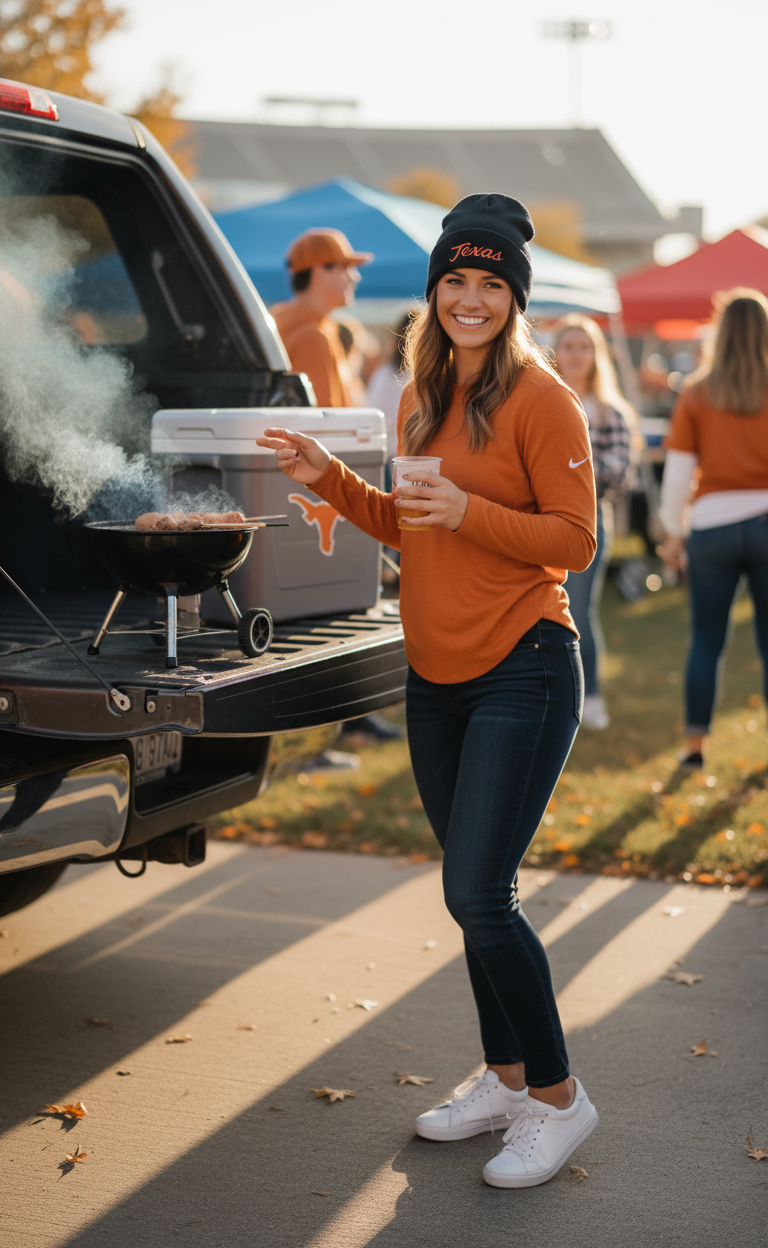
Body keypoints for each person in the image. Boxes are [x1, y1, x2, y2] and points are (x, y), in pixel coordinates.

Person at [258, 193, 599, 1189]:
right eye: (458, 278)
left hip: (523, 665)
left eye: (492, 283)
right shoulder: (416, 395)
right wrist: (331, 479)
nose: (472, 298)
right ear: (436, 287)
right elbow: (412, 525)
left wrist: (470, 506)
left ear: (513, 298)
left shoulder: (543, 399)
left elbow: (573, 541)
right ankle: (503, 1079)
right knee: (475, 899)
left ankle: (559, 1100)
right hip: (434, 676)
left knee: (477, 894)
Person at [660, 288, 768, 771]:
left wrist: (672, 532)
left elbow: (678, 477)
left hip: (712, 527)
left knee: (706, 640)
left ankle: (694, 748)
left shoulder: (698, 392)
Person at [553, 315, 639, 729]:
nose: (575, 354)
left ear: (595, 355)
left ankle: (593, 695)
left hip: (589, 521)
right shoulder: (542, 402)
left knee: (580, 613)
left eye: (583, 347)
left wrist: (568, 466)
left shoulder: (610, 412)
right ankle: (551, 695)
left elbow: (619, 475)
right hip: (541, 521)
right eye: (568, 346)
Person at [270, 229, 373, 407]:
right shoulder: (313, 336)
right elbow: (324, 422)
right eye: (346, 267)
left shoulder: (290, 323)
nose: (355, 277)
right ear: (319, 273)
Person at [367, 312, 413, 489]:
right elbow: (374, 417)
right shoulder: (387, 374)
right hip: (395, 457)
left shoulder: (384, 374)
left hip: (398, 455)